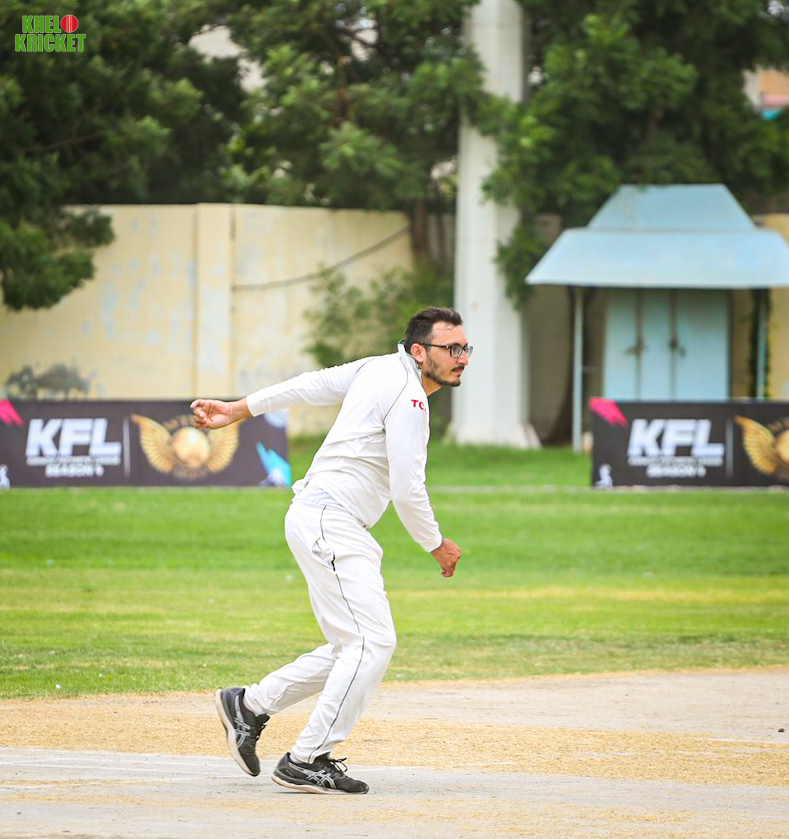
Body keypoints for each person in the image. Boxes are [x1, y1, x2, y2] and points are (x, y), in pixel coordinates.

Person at [190, 306, 470, 795]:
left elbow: (307, 386)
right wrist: (435, 544)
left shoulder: (378, 368)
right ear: (418, 351)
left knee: (351, 646)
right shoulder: (407, 396)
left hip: (327, 520)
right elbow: (407, 489)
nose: (461, 357)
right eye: (451, 348)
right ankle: (307, 759)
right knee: (371, 643)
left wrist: (239, 409)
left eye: (465, 348)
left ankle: (249, 706)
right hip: (330, 522)